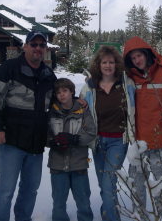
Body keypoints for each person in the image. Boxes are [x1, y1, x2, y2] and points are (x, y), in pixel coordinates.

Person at [0, 31, 56, 221]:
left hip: (36, 142)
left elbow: (59, 101)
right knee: (6, 189)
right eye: (34, 44)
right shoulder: (9, 68)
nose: (38, 49)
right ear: (25, 46)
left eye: (42, 45)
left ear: (45, 49)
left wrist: (76, 103)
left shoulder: (49, 75)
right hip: (11, 140)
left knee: (30, 189)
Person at [123, 36, 162, 221]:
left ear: (147, 54)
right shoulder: (129, 78)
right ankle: (139, 217)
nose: (137, 60)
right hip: (138, 144)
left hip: (161, 143)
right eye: (133, 58)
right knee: (137, 187)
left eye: (139, 56)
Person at [79, 46, 136, 221]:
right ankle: (108, 213)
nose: (108, 65)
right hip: (97, 141)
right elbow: (80, 111)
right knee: (104, 185)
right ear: (98, 64)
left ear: (117, 64)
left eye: (111, 62)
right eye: (104, 62)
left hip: (118, 141)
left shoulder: (127, 84)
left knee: (108, 183)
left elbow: (137, 108)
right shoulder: (89, 86)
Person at [47, 78, 96, 221]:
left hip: (78, 164)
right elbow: (44, 133)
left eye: (65, 91)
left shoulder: (82, 111)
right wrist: (53, 142)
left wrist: (75, 139)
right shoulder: (52, 112)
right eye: (58, 92)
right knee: (58, 202)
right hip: (57, 165)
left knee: (83, 201)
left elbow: (91, 132)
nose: (62, 94)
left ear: (72, 92)